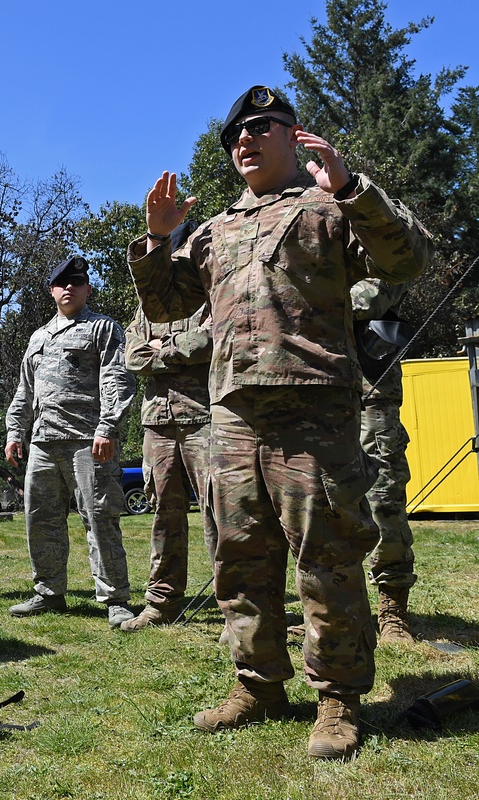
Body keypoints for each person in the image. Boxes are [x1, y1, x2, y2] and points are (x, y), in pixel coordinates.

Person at [127, 85, 432, 759]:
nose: (246, 140)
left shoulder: (330, 207)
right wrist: (156, 236)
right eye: (237, 133)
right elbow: (168, 301)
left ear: (294, 138)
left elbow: (406, 258)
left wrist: (353, 187)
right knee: (238, 558)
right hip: (232, 415)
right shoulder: (214, 230)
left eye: (263, 127)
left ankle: (338, 698)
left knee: (326, 558)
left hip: (312, 411)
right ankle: (258, 684)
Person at [5, 255, 137, 629]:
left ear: (87, 289)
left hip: (87, 441)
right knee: (40, 519)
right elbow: (24, 390)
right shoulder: (39, 337)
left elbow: (117, 379)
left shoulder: (102, 329)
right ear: (52, 290)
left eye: (77, 282)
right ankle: (49, 591)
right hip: (44, 442)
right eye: (62, 283)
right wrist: (16, 431)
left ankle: (115, 598)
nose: (69, 288)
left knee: (99, 517)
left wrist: (107, 427)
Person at [120, 221, 216, 631]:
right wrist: (175, 352)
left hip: (205, 417)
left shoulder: (211, 294)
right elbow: (132, 356)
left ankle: (237, 606)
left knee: (220, 512)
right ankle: (161, 602)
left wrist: (164, 349)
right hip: (158, 422)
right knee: (163, 513)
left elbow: (211, 340)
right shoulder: (148, 305)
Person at [352, 278, 417, 643]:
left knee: (383, 502)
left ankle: (392, 610)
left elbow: (372, 296)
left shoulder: (374, 232)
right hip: (313, 390)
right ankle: (339, 608)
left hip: (372, 392)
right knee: (320, 510)